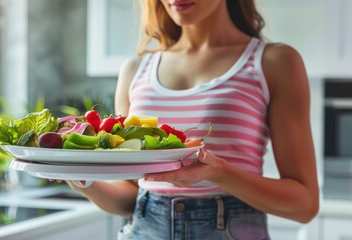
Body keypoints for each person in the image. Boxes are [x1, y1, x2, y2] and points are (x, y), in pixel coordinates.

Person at [68, 0, 319, 239]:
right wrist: (79, 178)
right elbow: (131, 196)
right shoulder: (135, 70)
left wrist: (220, 172)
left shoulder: (274, 62)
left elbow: (304, 205)